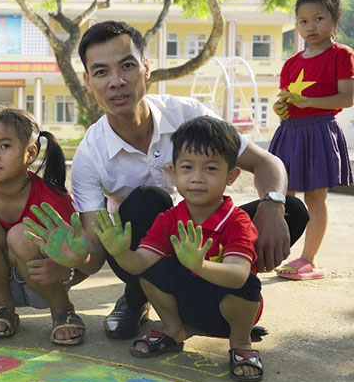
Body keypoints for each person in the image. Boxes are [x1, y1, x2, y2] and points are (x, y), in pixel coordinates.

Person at [60, 20, 307, 340]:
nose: (117, 82)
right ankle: (137, 298)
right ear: (88, 81)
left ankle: (215, 301)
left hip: (207, 238)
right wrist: (67, 265)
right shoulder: (90, 155)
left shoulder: (188, 113)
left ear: (146, 68)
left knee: (292, 209)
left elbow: (266, 163)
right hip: (142, 251)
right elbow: (95, 247)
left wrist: (273, 207)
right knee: (149, 200)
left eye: (127, 66)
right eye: (101, 72)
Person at [92, 116, 265, 382]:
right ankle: (173, 331)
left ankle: (241, 343)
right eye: (187, 167)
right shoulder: (169, 219)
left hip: (228, 312)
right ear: (174, 172)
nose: (197, 178)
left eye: (210, 168)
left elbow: (239, 276)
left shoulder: (237, 221)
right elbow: (139, 264)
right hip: (187, 307)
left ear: (231, 175)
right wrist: (120, 252)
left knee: (249, 284)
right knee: (152, 271)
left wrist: (201, 265)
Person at [0, 104, 86, 345]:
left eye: (4, 146)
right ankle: (3, 307)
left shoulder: (53, 199)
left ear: (31, 153)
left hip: (45, 284)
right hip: (1, 281)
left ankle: (62, 311)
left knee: (22, 235)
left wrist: (64, 268)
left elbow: (82, 255)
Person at [270, 0, 354, 280]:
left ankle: (308, 259)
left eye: (318, 18)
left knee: (315, 199)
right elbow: (284, 99)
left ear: (335, 19)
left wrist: (308, 103)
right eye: (303, 21)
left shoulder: (341, 55)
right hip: (289, 133)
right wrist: (281, 107)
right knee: (283, 196)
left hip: (319, 132)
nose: (310, 26)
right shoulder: (291, 63)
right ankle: (274, 254)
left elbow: (347, 98)